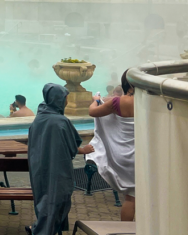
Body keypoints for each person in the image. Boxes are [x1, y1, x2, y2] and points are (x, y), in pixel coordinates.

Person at [27, 83, 82, 235]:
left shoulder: (39, 119)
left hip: (39, 168)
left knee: (45, 201)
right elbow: (73, 145)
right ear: (58, 99)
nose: (66, 101)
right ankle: (40, 231)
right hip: (59, 169)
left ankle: (40, 228)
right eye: (65, 98)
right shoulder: (61, 122)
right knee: (57, 200)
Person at [86, 70, 136, 222]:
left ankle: (125, 232)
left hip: (123, 155)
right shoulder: (151, 102)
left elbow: (93, 112)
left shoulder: (118, 102)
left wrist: (96, 100)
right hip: (146, 154)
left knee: (131, 198)